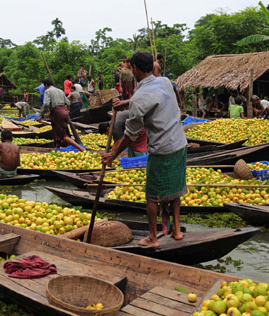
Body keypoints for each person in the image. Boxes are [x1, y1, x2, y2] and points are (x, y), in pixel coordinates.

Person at [102, 51, 187, 247]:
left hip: (162, 149)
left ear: (135, 69)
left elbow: (130, 134)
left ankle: (153, 238)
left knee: (152, 196)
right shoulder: (165, 82)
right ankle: (176, 231)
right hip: (180, 144)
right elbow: (151, 98)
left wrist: (113, 154)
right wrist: (125, 103)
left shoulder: (140, 96)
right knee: (175, 191)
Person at [42, 79, 84, 151]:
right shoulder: (60, 91)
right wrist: (66, 110)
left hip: (57, 113)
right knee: (57, 132)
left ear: (46, 85)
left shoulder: (47, 91)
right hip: (64, 112)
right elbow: (67, 102)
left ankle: (81, 148)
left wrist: (41, 114)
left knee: (63, 135)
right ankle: (57, 149)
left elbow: (46, 104)